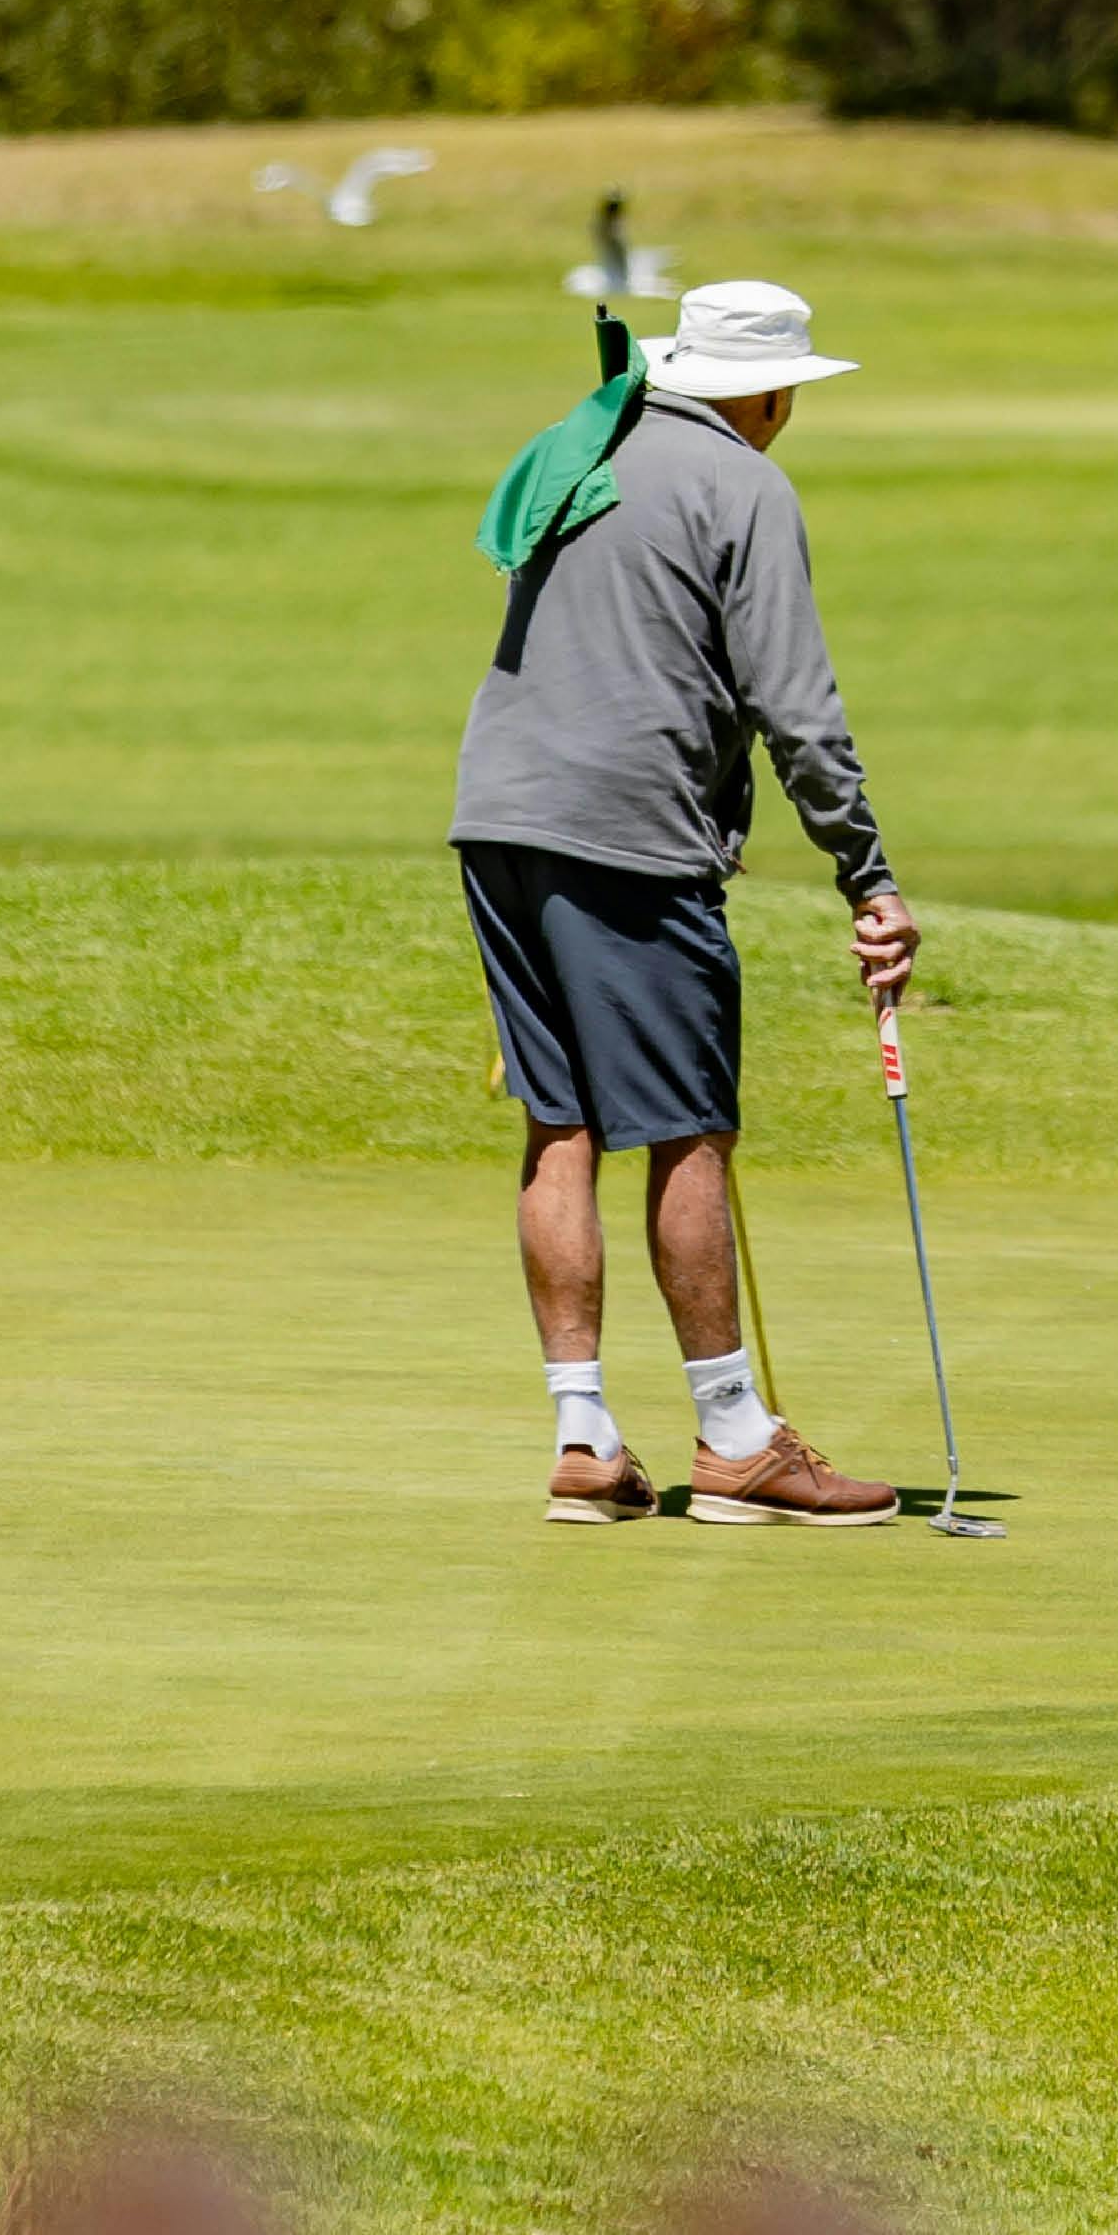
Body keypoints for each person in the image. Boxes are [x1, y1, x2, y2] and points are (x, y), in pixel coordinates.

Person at [453, 276, 920, 1525]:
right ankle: (732, 1438)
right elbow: (798, 710)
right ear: (766, 392)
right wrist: (866, 873)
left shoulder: (586, 436)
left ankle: (586, 1437)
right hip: (628, 833)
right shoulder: (745, 482)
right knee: (685, 1126)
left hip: (497, 815)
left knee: (560, 1121)